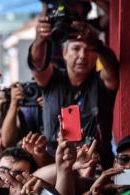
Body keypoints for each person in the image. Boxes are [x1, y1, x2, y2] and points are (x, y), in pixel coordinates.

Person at [28, 8, 120, 169]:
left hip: (97, 164)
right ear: (64, 53)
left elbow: (113, 70)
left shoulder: (101, 81)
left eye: (88, 50)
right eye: (76, 49)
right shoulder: (53, 79)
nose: (83, 56)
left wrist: (97, 46)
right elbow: (37, 63)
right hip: (55, 164)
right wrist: (40, 40)